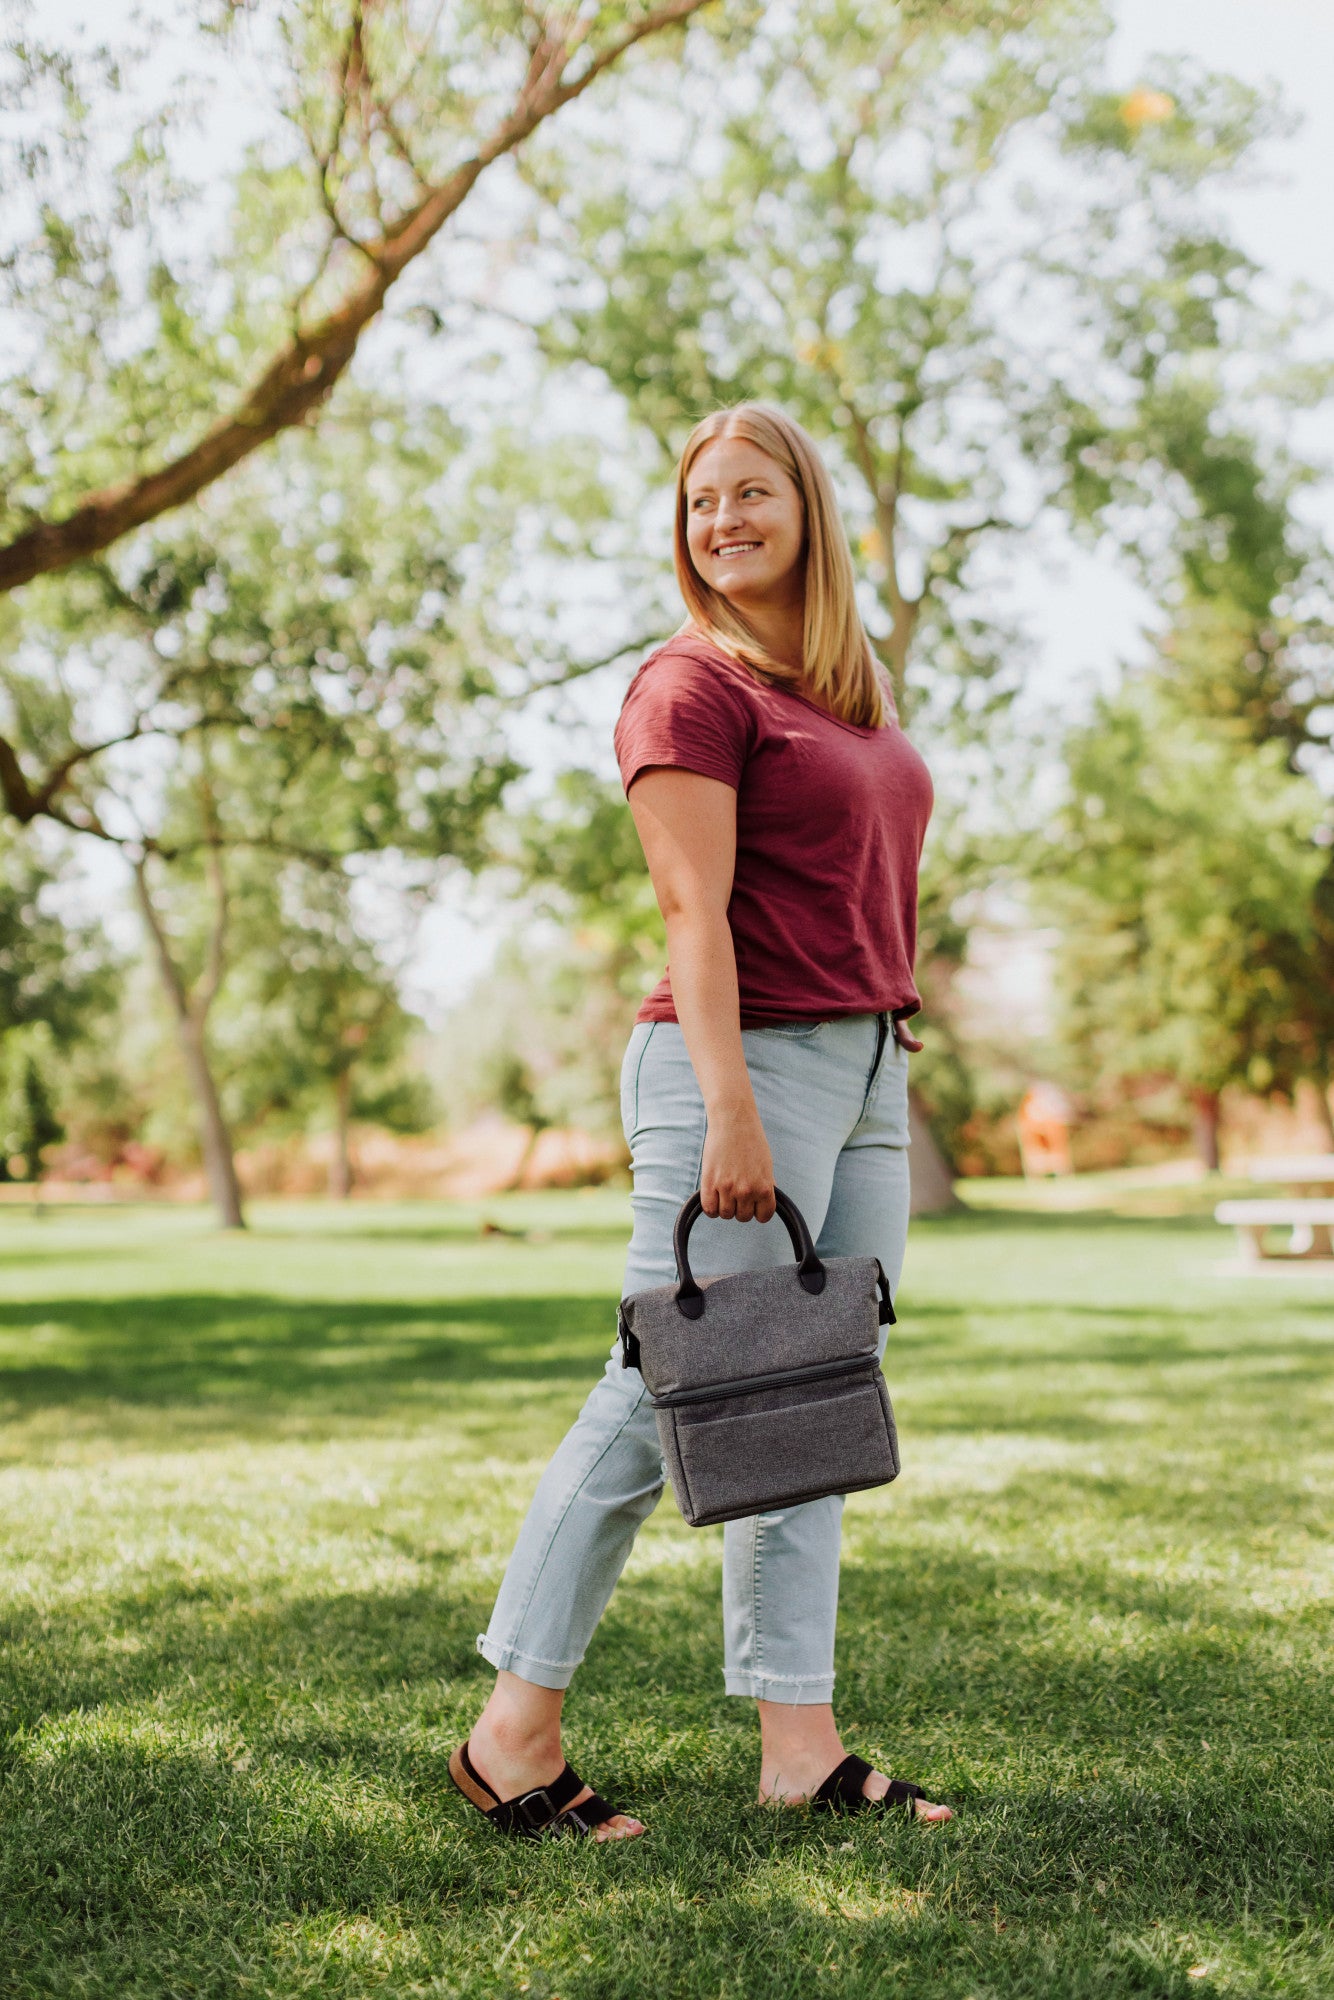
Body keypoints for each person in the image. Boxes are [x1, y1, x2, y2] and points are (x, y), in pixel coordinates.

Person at [450, 402, 950, 1841]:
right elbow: (691, 912)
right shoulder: (689, 685)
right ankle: (510, 1732)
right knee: (662, 1385)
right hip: (738, 1067)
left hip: (861, 1066)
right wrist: (731, 1106)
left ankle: (798, 1744)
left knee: (814, 1400)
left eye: (748, 493)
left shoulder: (843, 695)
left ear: (807, 507)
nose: (719, 519)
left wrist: (875, 1048)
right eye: (697, 502)